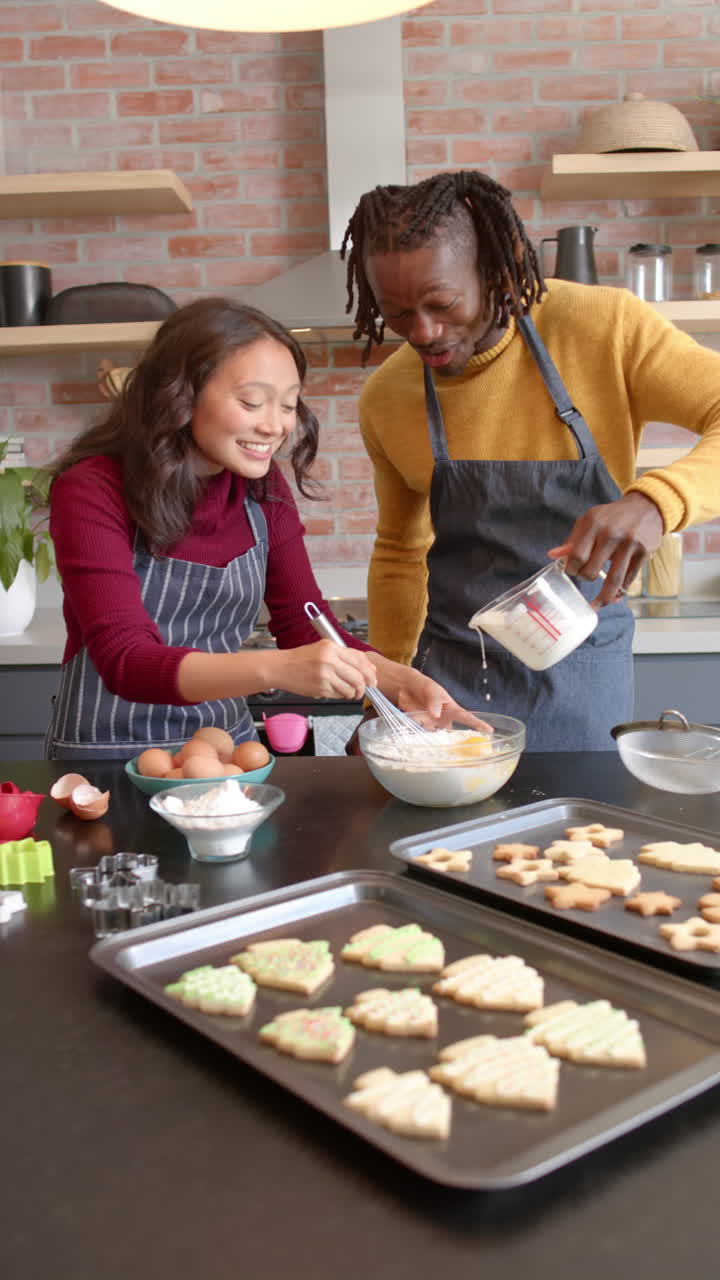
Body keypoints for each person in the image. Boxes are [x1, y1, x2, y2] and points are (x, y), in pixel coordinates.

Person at [340, 170, 720, 751]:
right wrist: (385, 695)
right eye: (396, 314)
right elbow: (399, 553)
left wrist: (654, 502)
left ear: (497, 267)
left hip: (579, 669)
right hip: (450, 683)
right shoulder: (388, 399)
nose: (423, 332)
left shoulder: (603, 328)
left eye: (441, 304)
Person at [46, 298, 461, 760]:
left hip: (227, 757)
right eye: (251, 401)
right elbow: (125, 662)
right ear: (180, 393)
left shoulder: (262, 489)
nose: (275, 426)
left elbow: (305, 624)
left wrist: (401, 679)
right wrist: (277, 668)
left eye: (288, 405)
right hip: (106, 759)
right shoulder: (91, 489)